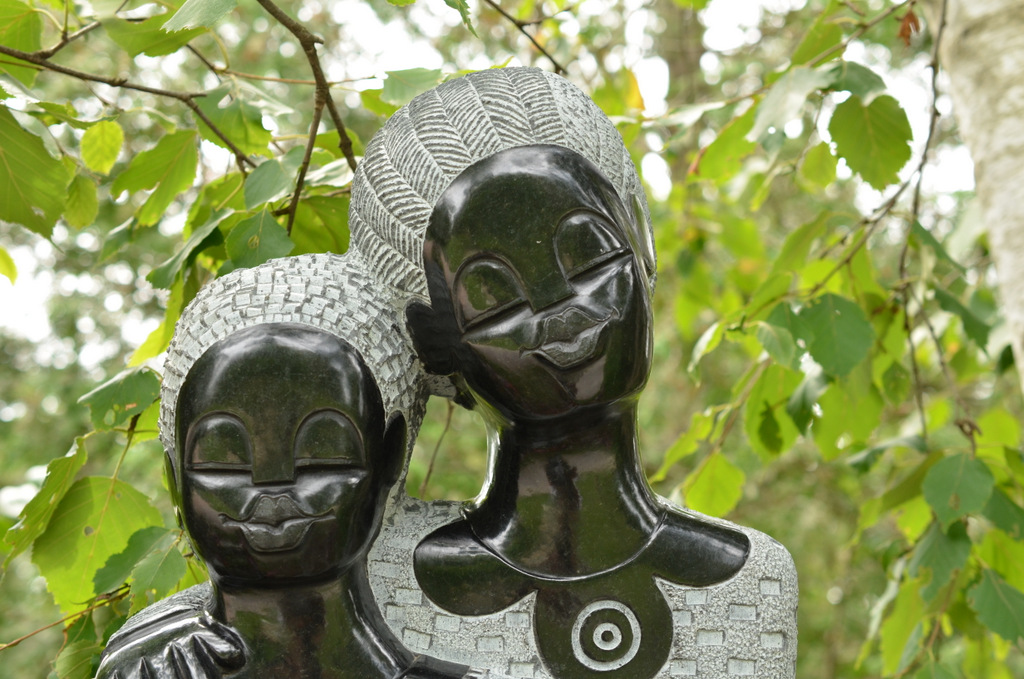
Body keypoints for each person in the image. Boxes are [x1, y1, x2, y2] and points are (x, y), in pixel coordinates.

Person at [349, 67, 796, 679]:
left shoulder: (752, 583)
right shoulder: (376, 588)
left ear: (642, 245)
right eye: (498, 300)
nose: (560, 312)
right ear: (435, 345)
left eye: (590, 259)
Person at [97, 253, 473, 679]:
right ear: (175, 482)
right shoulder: (150, 670)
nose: (272, 489)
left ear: (389, 457)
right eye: (225, 465)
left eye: (320, 458)